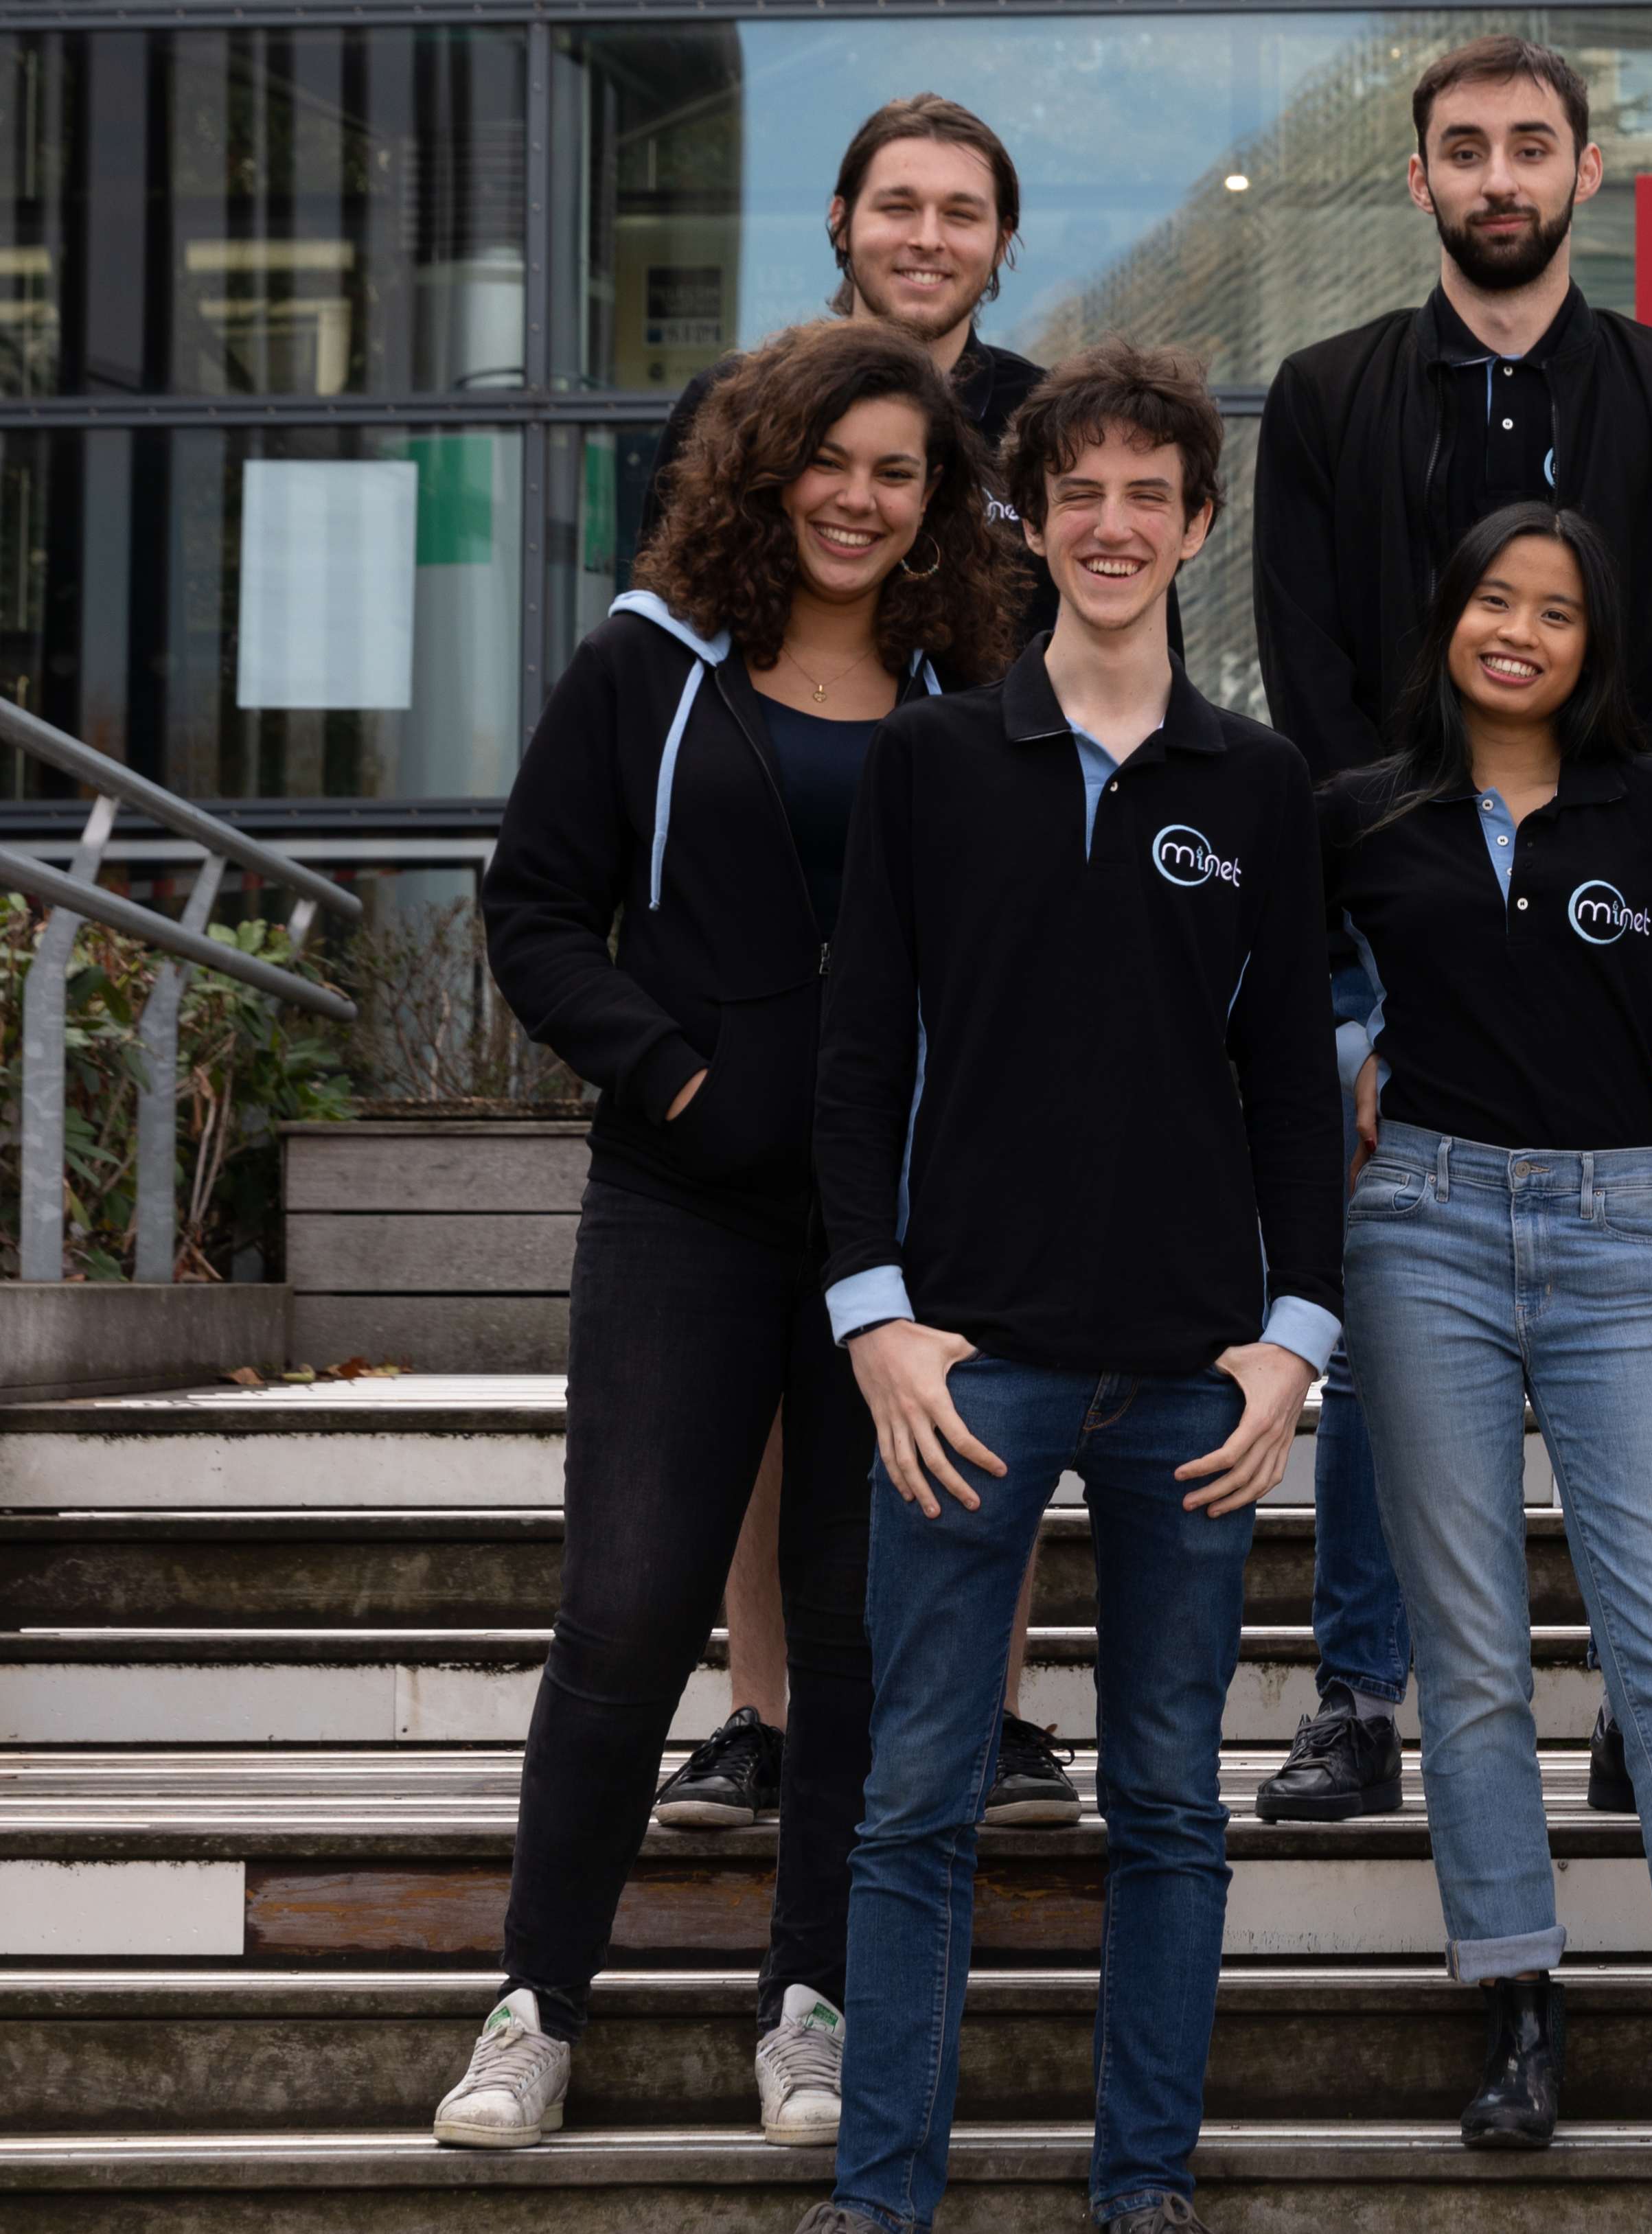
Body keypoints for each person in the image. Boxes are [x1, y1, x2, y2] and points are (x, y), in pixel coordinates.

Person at [450, 318, 1018, 2154]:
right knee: (626, 1608)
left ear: (936, 500)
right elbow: (535, 909)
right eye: (829, 461)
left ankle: (810, 2004)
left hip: (899, 1240)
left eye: (898, 471)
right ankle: (534, 2008)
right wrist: (680, 1075)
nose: (859, 498)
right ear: (767, 466)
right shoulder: (650, 657)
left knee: (853, 1635)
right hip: (681, 1203)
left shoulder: (970, 685)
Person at [796, 341, 1338, 2234]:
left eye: (1147, 496)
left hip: (1192, 1377)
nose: (1112, 526)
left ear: (1198, 524)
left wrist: (1292, 1342)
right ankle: (882, 2198)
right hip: (972, 1367)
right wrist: (874, 1314)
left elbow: (1292, 1087)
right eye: (1078, 492)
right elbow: (856, 1057)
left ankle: (1143, 2186)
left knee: (1173, 1803)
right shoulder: (935, 760)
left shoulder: (1257, 782)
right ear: (1029, 520)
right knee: (912, 1801)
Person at [1250, 32, 1652, 1827]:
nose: (1497, 177)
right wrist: (1393, 928)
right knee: (1390, 1317)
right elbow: (1309, 678)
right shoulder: (1325, 394)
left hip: (1607, 927)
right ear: (1418, 179)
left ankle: (1646, 1689)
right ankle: (1360, 1693)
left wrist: (1626, 932)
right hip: (1383, 931)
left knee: (1617, 1318)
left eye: (1529, 146)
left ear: (1583, 173)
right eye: (1463, 148)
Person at [1322, 503, 1652, 2201]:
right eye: (1493, 600)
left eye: (1555, 611)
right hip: (1416, 1230)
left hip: (1617, 1235)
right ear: (1448, 616)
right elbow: (1257, 979)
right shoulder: (1362, 810)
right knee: (1471, 1653)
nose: (1519, 632)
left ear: (1592, 643)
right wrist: (1351, 1037)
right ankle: (1516, 2013)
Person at [644, 90, 1081, 1839]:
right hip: (777, 941)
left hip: (986, 951)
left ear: (1000, 242)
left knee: (989, 1334)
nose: (927, 235)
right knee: (779, 1364)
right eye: (897, 204)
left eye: (961, 211)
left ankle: (991, 1711)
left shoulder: (1048, 425)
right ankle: (759, 1714)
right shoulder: (737, 407)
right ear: (839, 222)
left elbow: (1104, 654)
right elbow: (673, 656)